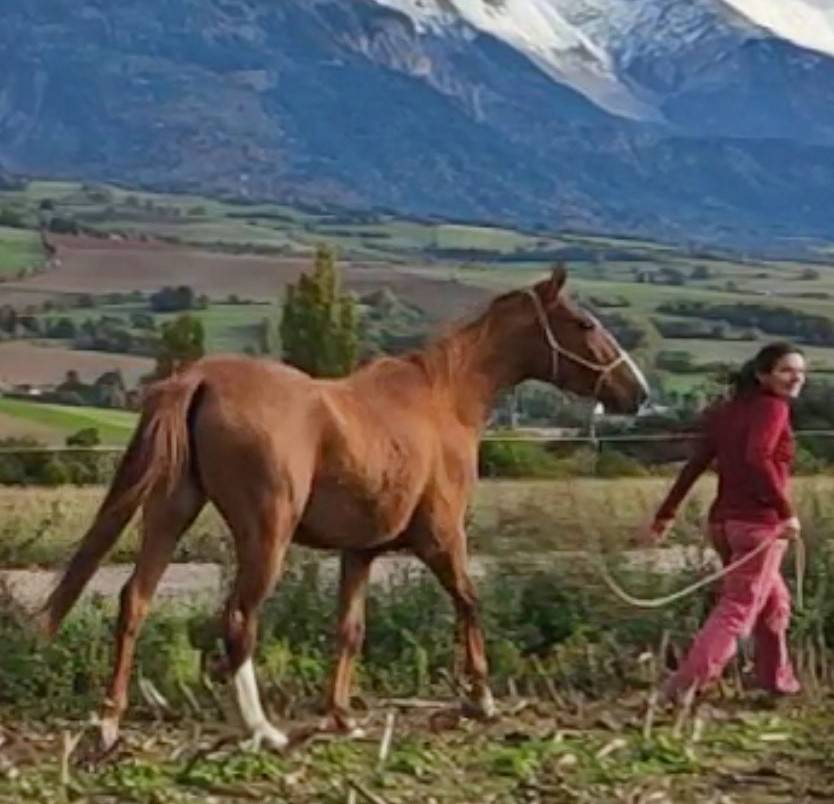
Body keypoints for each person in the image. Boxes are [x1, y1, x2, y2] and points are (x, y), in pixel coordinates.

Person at [641, 342, 806, 700]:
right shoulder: (773, 408)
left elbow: (695, 463)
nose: (796, 377)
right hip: (759, 525)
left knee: (775, 603)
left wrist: (665, 514)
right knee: (737, 609)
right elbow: (758, 457)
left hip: (724, 525)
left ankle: (777, 680)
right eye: (786, 370)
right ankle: (685, 685)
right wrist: (786, 512)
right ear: (763, 375)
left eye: (800, 371)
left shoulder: (727, 411)